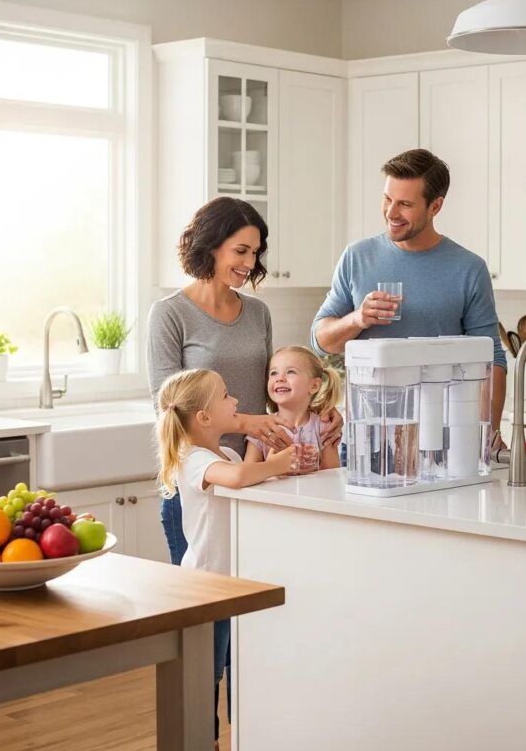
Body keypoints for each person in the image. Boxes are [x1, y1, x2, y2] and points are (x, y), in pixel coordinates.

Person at [146, 197, 342, 741]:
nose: (249, 263)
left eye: (255, 252)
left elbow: (276, 391)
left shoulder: (256, 312)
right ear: (209, 244)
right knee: (204, 627)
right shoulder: (170, 314)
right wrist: (253, 424)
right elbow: (165, 403)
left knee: (253, 627)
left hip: (260, 483)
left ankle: (255, 732)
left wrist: (319, 417)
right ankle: (202, 733)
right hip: (202, 487)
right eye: (240, 249)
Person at [310, 148, 507, 439]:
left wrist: (487, 432)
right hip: (366, 439)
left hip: (440, 440)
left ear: (435, 206)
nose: (391, 212)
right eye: (387, 199)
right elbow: (320, 342)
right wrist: (358, 319)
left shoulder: (469, 269)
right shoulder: (357, 257)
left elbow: (491, 359)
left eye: (404, 204)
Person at [155, 367, 298, 746]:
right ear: (203, 417)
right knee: (208, 673)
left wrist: (278, 467)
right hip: (208, 587)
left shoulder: (229, 452)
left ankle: (240, 736)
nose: (235, 400)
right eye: (225, 395)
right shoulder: (193, 458)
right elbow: (236, 479)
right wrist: (280, 463)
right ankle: (204, 741)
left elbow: (249, 480)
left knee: (239, 666)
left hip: (233, 586)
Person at [245, 345, 343, 470]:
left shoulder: (324, 428)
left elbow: (332, 475)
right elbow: (247, 475)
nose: (280, 378)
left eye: (290, 372)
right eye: (273, 373)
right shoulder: (261, 429)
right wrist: (272, 467)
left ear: (314, 386)